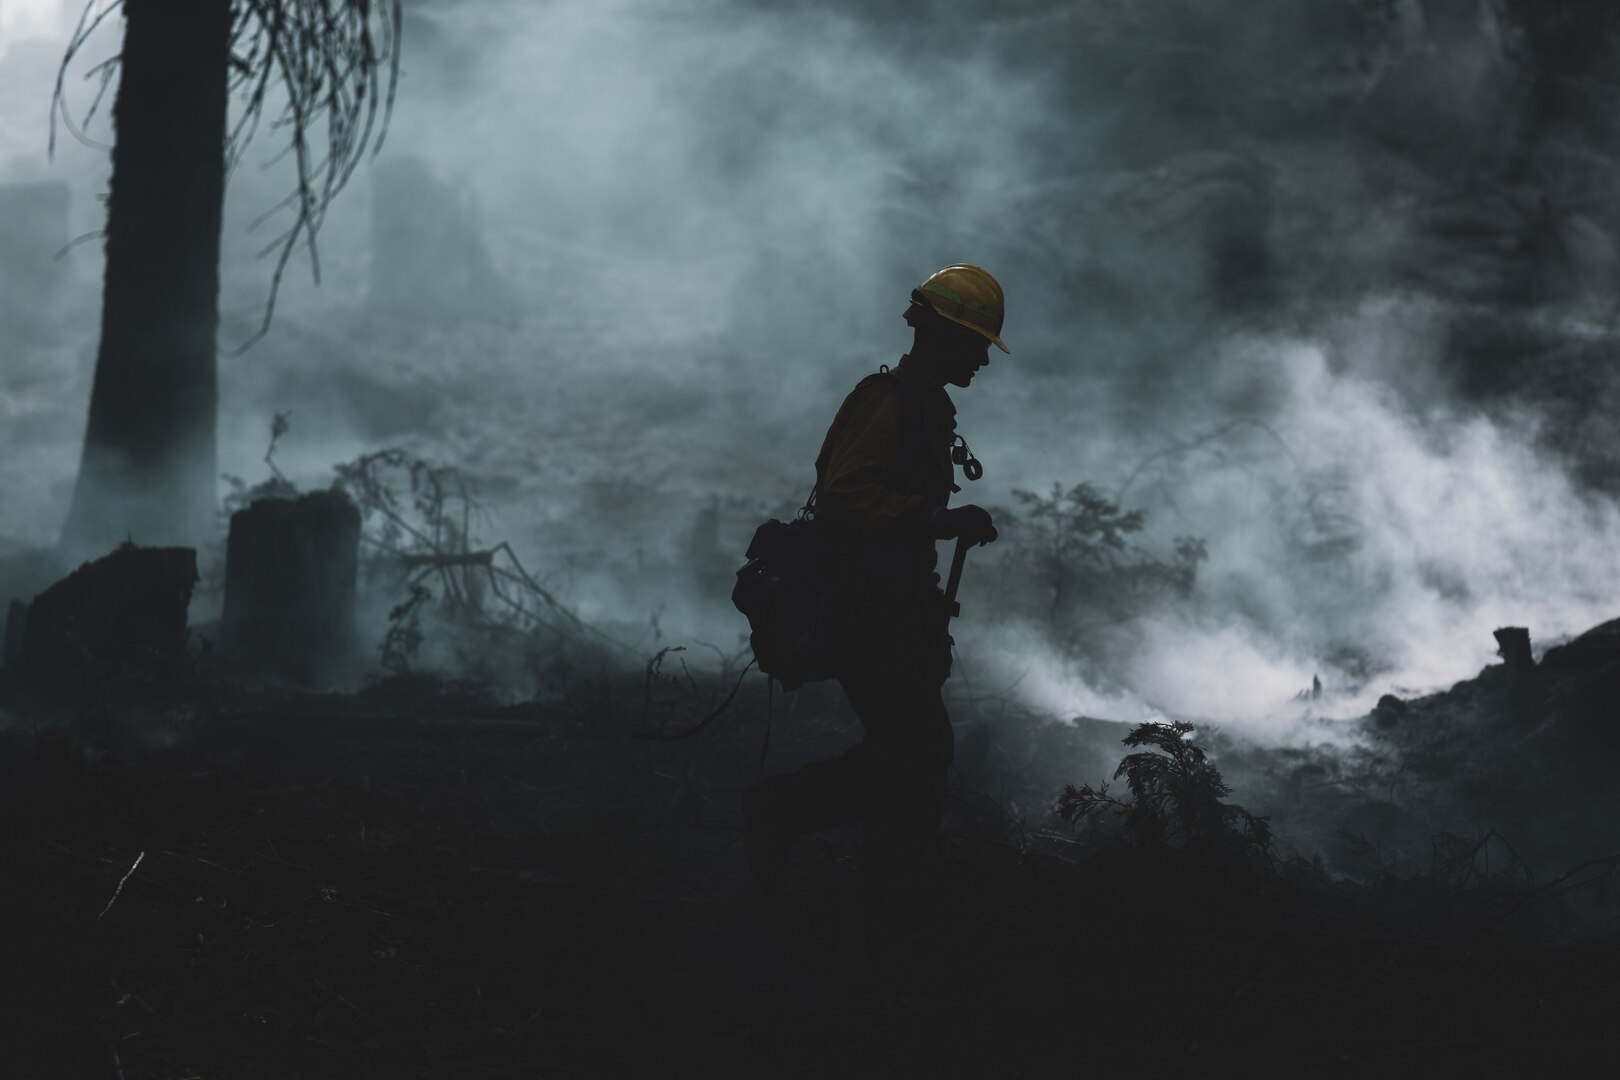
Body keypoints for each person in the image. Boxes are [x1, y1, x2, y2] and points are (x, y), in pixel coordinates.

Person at [743, 263, 1007, 954]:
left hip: (893, 608)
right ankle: (817, 846)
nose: (982, 359)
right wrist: (937, 520)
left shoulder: (925, 405)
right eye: (975, 343)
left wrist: (941, 524)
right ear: (940, 335)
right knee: (919, 753)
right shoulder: (888, 401)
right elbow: (845, 497)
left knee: (906, 754)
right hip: (866, 609)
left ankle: (879, 901)